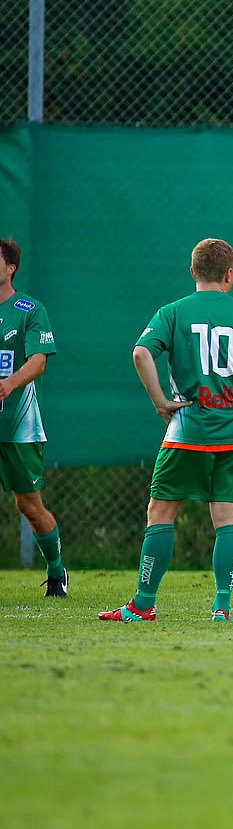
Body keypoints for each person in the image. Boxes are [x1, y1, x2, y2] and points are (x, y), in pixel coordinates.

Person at [104, 238, 233, 622]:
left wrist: (160, 401)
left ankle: (143, 604)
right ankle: (222, 605)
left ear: (193, 271)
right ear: (230, 274)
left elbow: (140, 352)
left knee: (161, 513)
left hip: (187, 431)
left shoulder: (173, 312)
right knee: (228, 518)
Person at [0, 238, 67, 597]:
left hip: (17, 426)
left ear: (10, 268)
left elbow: (38, 360)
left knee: (29, 505)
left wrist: (8, 384)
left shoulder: (28, 309)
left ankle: (56, 571)